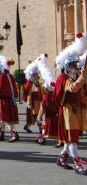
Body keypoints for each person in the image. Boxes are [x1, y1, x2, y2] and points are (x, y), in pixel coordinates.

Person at [54, 32, 87, 175]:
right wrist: (82, 77)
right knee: (72, 138)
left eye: (76, 65)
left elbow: (81, 94)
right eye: (74, 65)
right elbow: (73, 89)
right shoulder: (63, 79)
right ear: (67, 66)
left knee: (70, 139)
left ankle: (62, 158)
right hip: (67, 111)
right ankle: (78, 164)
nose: (76, 68)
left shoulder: (72, 77)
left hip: (75, 111)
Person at [23, 59, 44, 134]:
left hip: (38, 102)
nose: (37, 76)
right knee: (35, 116)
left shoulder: (37, 82)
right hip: (32, 102)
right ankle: (40, 128)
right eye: (35, 75)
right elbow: (26, 93)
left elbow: (40, 91)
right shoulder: (29, 82)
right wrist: (28, 103)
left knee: (34, 116)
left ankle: (27, 126)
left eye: (37, 74)